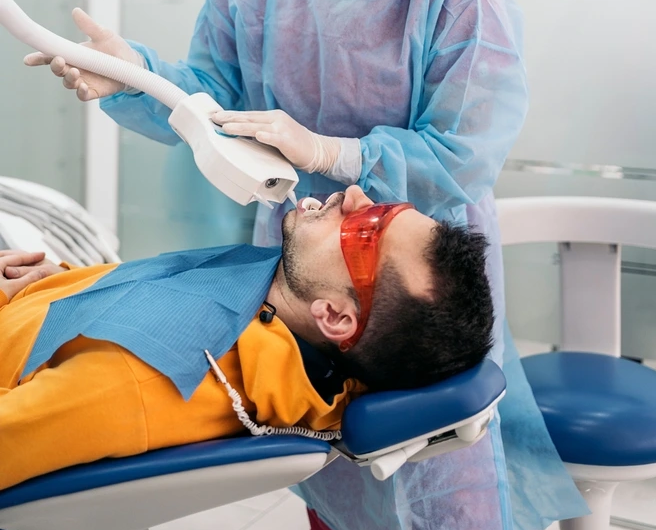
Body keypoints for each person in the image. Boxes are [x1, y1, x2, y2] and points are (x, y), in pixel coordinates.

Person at [25, 0, 587, 530]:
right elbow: (212, 102)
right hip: (300, 253)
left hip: (404, 267)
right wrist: (130, 75)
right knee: (326, 445)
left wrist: (334, 153)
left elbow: (463, 157)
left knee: (437, 479)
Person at [0, 186, 493, 491]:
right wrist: (52, 285)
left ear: (336, 319)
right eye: (384, 207)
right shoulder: (260, 307)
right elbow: (124, 313)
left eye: (367, 228)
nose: (356, 195)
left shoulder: (140, 380)